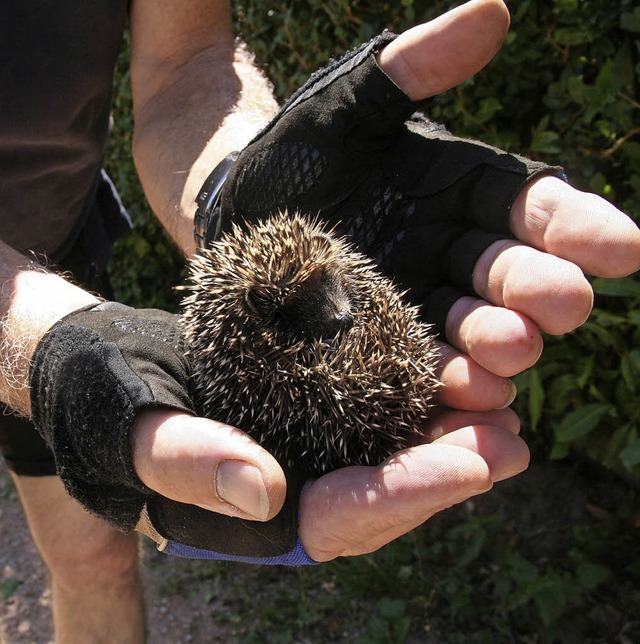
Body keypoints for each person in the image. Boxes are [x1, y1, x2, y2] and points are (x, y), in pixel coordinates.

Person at [1, 0, 639, 641]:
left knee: (94, 556)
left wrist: (229, 181)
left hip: (64, 238)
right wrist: (42, 345)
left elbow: (183, 62)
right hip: (24, 311)